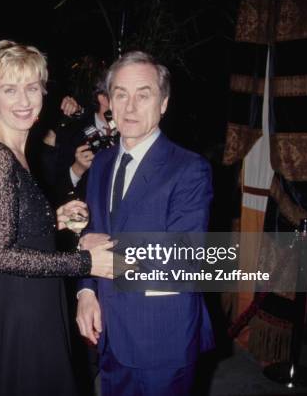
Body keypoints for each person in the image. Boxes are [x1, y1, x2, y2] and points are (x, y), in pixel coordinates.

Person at [0, 40, 114, 396]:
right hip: (20, 306)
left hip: (20, 297)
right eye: (10, 89)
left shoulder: (10, 148)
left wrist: (51, 219)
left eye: (32, 87)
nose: (24, 100)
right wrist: (87, 262)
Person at [76, 51, 215, 396]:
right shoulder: (103, 163)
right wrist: (86, 292)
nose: (131, 106)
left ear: (164, 103)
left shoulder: (189, 168)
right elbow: (88, 232)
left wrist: (95, 249)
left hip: (161, 337)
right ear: (109, 102)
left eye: (144, 94)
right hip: (109, 331)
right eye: (121, 94)